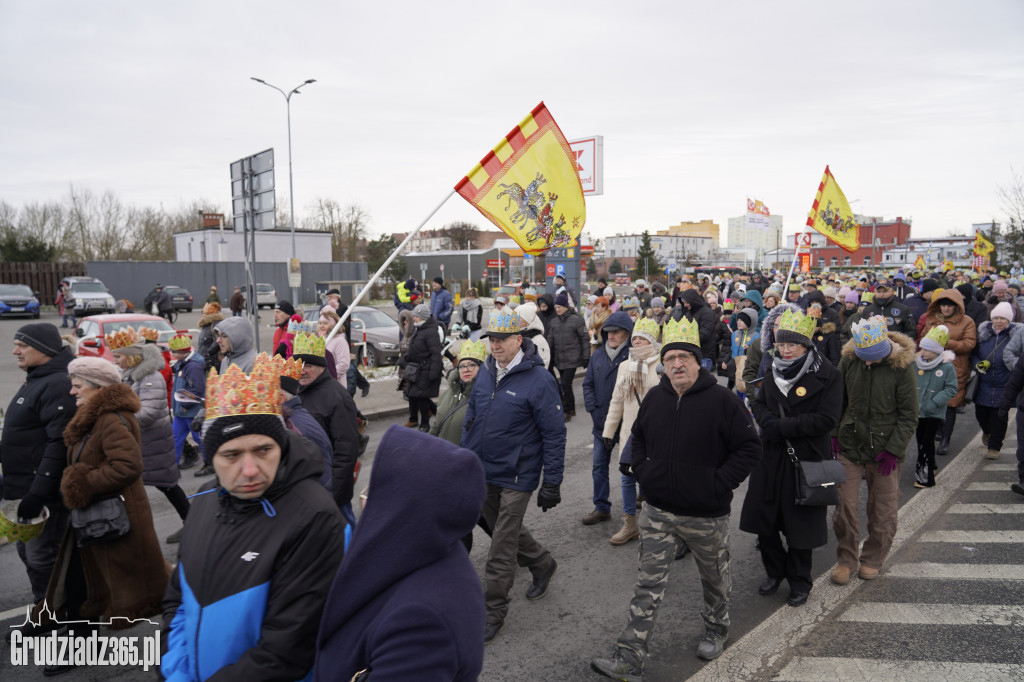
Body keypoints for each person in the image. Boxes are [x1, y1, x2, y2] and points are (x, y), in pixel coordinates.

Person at [590, 318, 761, 680]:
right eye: (670, 358)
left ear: (699, 362)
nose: (677, 364)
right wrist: (644, 471)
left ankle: (716, 628)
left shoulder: (723, 401)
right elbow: (638, 437)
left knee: (714, 579)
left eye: (685, 357)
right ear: (663, 363)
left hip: (706, 514)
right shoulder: (656, 397)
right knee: (647, 585)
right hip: (658, 512)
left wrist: (718, 483)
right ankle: (629, 658)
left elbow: (749, 447)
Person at [162, 358, 345, 680]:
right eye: (231, 455)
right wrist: (175, 670)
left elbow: (286, 649)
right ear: (211, 458)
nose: (249, 470)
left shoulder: (314, 518)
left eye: (263, 451)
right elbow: (177, 599)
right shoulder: (204, 499)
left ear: (281, 447)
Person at [314, 427, 486, 681]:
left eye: (377, 490)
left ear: (406, 504)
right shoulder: (421, 547)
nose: (364, 500)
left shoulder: (423, 622)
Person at [46, 357, 168, 647]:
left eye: (78, 386)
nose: (72, 391)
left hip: (113, 515)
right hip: (98, 515)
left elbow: (127, 467)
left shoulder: (109, 418)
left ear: (98, 387)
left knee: (142, 583)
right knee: (86, 579)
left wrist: (81, 483)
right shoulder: (94, 416)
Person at [462, 307, 566, 644]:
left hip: (518, 475)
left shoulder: (540, 380)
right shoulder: (486, 371)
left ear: (518, 340)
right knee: (503, 530)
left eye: (501, 340)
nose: (494, 346)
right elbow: (472, 419)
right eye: (491, 340)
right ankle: (543, 563)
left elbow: (554, 434)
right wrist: (465, 460)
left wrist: (552, 481)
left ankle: (493, 612)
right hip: (484, 470)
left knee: (501, 547)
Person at [740, 309, 843, 607]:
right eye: (781, 344)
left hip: (807, 458)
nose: (785, 350)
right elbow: (758, 402)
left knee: (801, 526)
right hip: (771, 456)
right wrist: (766, 422)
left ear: (806, 345)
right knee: (765, 520)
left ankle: (800, 580)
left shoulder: (829, 375)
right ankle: (775, 570)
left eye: (792, 345)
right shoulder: (772, 367)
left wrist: (781, 427)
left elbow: (827, 419)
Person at [832, 315, 918, 584]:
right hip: (850, 443)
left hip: (885, 448)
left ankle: (872, 558)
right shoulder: (849, 360)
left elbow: (909, 415)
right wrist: (834, 434)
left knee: (883, 508)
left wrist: (894, 449)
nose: (868, 362)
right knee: (844, 505)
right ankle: (846, 559)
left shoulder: (901, 367)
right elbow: (837, 400)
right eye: (864, 358)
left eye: (873, 358)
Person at [2, 324, 78, 611]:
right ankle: (46, 610)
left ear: (44, 349)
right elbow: (27, 434)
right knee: (29, 554)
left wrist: (38, 494)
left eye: (22, 345)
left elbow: (59, 444)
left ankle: (59, 614)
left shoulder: (57, 383)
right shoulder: (38, 378)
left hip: (44, 494)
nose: (15, 351)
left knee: (43, 557)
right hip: (25, 486)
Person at [108, 331, 191, 543]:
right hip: (143, 440)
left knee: (166, 484)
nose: (115, 361)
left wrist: (119, 418)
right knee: (138, 485)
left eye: (118, 356)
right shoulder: (132, 374)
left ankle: (190, 523)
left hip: (153, 439)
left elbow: (149, 412)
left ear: (132, 356)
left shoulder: (150, 377)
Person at [601, 318, 661, 546]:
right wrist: (608, 432)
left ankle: (657, 523)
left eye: (642, 338)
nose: (636, 342)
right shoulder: (625, 366)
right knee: (627, 478)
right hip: (630, 433)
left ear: (651, 342)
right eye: (634, 338)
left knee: (653, 480)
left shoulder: (662, 364)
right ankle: (630, 524)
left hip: (655, 433)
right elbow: (617, 400)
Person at [294, 332, 362, 517]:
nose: (302, 370)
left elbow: (346, 450)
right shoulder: (298, 391)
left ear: (321, 367)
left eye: (308, 365)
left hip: (331, 493)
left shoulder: (337, 397)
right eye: (299, 364)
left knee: (344, 532)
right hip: (308, 489)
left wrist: (334, 493)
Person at [582, 311, 634, 526]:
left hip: (627, 425)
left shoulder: (633, 356)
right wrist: (593, 410)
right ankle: (601, 507)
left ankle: (638, 503)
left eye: (616, 332)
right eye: (608, 332)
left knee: (631, 468)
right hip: (601, 423)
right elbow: (587, 384)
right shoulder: (598, 355)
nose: (611, 336)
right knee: (598, 467)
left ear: (626, 334)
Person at [918, 288, 977, 456]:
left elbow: (969, 344)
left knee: (950, 403)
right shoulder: (932, 320)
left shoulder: (967, 322)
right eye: (943, 305)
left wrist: (945, 342)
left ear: (957, 306)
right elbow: (922, 339)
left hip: (955, 366)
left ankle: (946, 439)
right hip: (932, 366)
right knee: (932, 399)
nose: (946, 308)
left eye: (950, 306)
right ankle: (937, 430)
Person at [971, 302, 1022, 460]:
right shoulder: (983, 334)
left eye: (1003, 318)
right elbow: (973, 354)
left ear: (1009, 320)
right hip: (984, 382)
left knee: (1000, 416)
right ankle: (987, 431)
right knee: (981, 414)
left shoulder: (1015, 336)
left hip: (1004, 383)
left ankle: (995, 446)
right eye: (996, 318)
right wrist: (977, 364)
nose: (999, 321)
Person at [913, 325, 959, 488]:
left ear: (937, 351)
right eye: (922, 348)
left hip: (934, 411)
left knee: (926, 442)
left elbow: (952, 388)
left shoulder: (947, 367)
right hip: (918, 411)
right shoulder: (916, 364)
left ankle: (925, 478)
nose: (923, 352)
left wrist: (936, 401)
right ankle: (931, 464)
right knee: (921, 440)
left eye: (927, 350)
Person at [547, 292, 590, 421]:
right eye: (556, 307)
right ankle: (567, 407)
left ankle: (569, 410)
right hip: (559, 359)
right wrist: (548, 357)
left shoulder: (577, 320)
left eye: (559, 307)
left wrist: (586, 356)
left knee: (565, 383)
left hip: (572, 358)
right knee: (563, 385)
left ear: (566, 306)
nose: (557, 309)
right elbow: (550, 341)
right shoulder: (554, 322)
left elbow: (584, 339)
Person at [401, 304, 444, 432]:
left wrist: (433, 373)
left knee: (421, 397)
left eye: (416, 316)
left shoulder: (431, 332)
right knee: (413, 394)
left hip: (426, 369)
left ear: (423, 317)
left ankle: (425, 424)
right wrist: (406, 358)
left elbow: (436, 354)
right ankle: (437, 416)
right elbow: (413, 347)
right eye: (414, 316)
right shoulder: (419, 329)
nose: (414, 318)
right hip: (416, 370)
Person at [169, 333, 205, 472]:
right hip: (181, 413)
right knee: (175, 438)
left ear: (183, 352)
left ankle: (209, 463)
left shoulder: (193, 367)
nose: (172, 354)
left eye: (174, 351)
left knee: (199, 438)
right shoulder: (181, 364)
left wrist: (185, 405)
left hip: (191, 412)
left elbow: (198, 389)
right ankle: (172, 466)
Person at [196, 301, 224, 371]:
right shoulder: (206, 325)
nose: (202, 315)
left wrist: (208, 353)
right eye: (202, 313)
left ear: (210, 314)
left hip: (213, 362)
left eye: (204, 313)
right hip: (206, 361)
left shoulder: (215, 324)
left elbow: (218, 340)